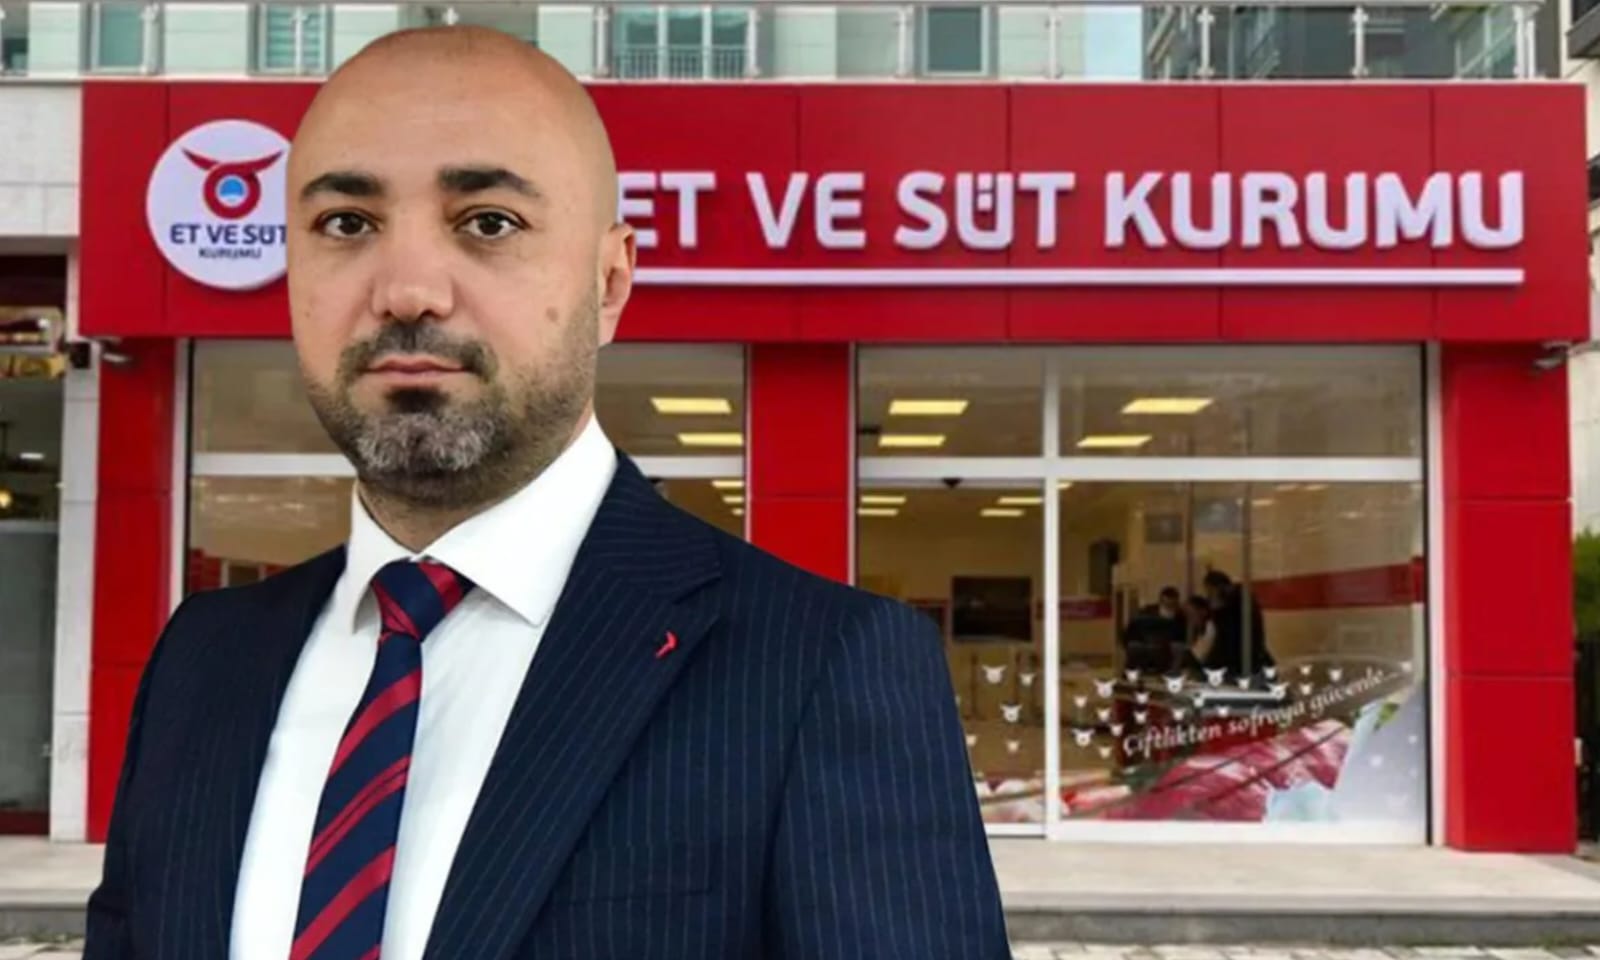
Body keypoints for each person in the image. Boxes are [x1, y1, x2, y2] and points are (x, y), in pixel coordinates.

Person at [84, 27, 1008, 960]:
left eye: (488, 222)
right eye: (348, 225)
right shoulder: (204, 660)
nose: (407, 291)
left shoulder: (820, 668)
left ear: (610, 283)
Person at [1202, 569, 1275, 679]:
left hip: (1240, 662)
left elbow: (1226, 636)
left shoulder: (1234, 603)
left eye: (1210, 591)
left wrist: (1216, 610)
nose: (1208, 595)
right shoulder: (1242, 598)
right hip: (1250, 659)